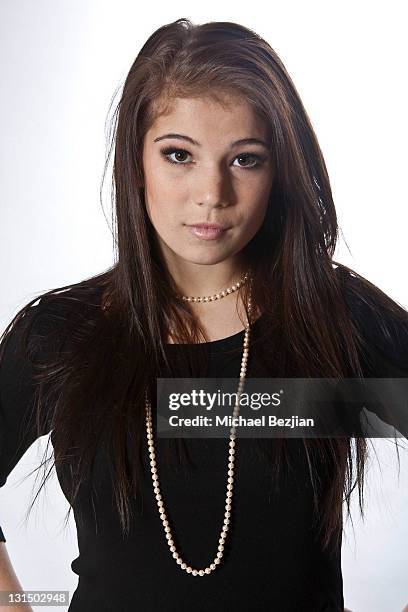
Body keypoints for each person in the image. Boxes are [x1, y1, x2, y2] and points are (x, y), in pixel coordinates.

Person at [1, 17, 407, 612]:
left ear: (279, 170)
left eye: (245, 159)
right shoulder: (64, 336)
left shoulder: (334, 319)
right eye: (178, 155)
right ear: (135, 161)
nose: (211, 192)